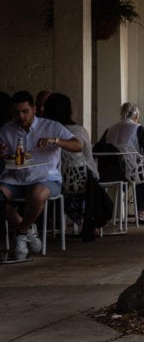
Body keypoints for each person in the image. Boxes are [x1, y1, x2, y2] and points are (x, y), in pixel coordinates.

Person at [0, 90, 82, 260]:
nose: (21, 116)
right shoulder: (7, 129)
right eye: (17, 112)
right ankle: (28, 229)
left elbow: (78, 145)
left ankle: (21, 234)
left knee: (37, 195)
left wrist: (55, 141)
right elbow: (6, 154)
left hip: (45, 177)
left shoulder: (51, 126)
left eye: (25, 111)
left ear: (34, 109)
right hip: (15, 178)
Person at [41, 93, 111, 240]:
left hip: (56, 182)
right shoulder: (79, 131)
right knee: (90, 180)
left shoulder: (46, 132)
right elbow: (88, 156)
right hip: (83, 182)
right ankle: (88, 221)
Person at [97, 102, 144, 222]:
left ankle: (140, 212)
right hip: (130, 171)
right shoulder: (138, 128)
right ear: (136, 116)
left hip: (112, 173)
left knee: (139, 169)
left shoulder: (110, 129)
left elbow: (98, 148)